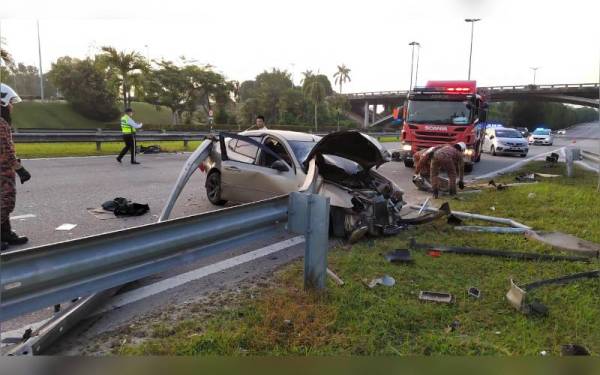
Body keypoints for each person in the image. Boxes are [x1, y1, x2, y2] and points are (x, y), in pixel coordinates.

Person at [1, 84, 31, 251]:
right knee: (7, 201)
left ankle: (4, 233)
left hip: (3, 168)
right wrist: (20, 169)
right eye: (10, 102)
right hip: (2, 170)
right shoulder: (0, 124)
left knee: (1, 201)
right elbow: (4, 150)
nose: (12, 106)